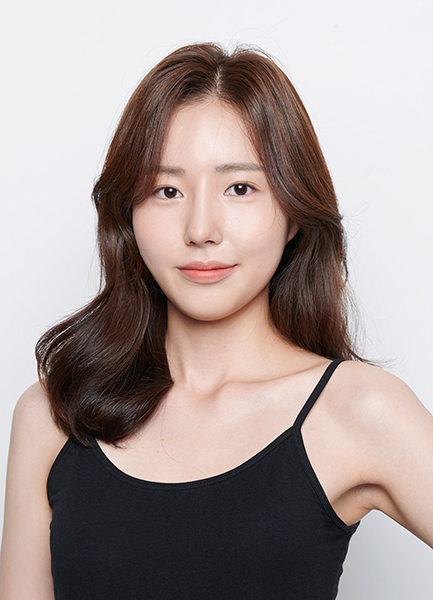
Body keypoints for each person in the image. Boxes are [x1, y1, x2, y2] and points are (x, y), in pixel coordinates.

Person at [0, 42, 432, 600]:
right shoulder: (52, 414)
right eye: (167, 190)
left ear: (294, 211)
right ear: (128, 214)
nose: (201, 229)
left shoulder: (359, 410)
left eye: (240, 188)